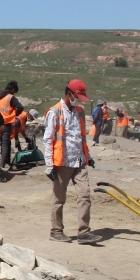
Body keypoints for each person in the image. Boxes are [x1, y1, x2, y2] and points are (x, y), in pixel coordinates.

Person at [43, 79, 100, 244]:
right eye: (78, 96)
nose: (79, 100)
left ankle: (84, 232)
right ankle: (56, 230)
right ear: (69, 94)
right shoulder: (55, 111)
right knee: (59, 198)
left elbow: (80, 137)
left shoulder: (79, 111)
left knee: (84, 195)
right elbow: (48, 139)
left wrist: (88, 157)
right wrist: (49, 165)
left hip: (79, 161)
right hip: (62, 162)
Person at [0, 80, 25, 170]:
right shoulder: (10, 97)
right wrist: (12, 115)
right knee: (5, 144)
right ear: (13, 90)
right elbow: (20, 107)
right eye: (15, 92)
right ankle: (3, 164)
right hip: (6, 123)